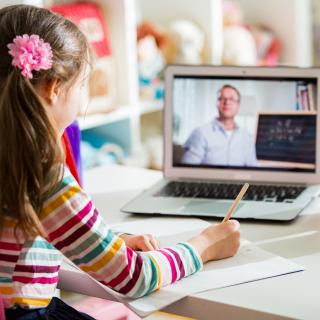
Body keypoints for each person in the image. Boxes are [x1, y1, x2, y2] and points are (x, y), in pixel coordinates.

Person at [0, 5, 241, 320]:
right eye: (83, 83)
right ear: (54, 88)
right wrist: (205, 245)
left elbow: (42, 230)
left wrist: (112, 241)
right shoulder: (43, 177)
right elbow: (134, 277)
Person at [182, 84, 257, 166]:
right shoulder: (200, 133)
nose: (227, 102)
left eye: (231, 99)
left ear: (238, 106)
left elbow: (252, 171)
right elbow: (187, 170)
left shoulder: (247, 137)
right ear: (217, 104)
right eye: (222, 99)